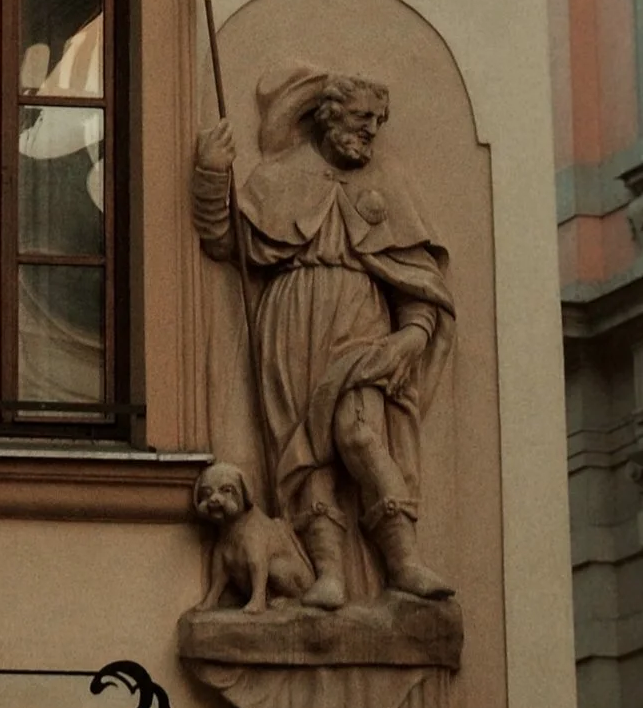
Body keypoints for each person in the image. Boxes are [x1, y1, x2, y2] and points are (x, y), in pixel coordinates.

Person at [192, 65, 454, 609]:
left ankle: (404, 562)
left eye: (377, 121)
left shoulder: (388, 184)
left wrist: (413, 333)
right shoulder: (278, 177)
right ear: (328, 117)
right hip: (290, 328)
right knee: (306, 456)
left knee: (358, 435)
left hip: (360, 323)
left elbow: (416, 277)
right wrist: (213, 175)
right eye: (361, 118)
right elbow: (227, 243)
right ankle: (328, 574)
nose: (371, 130)